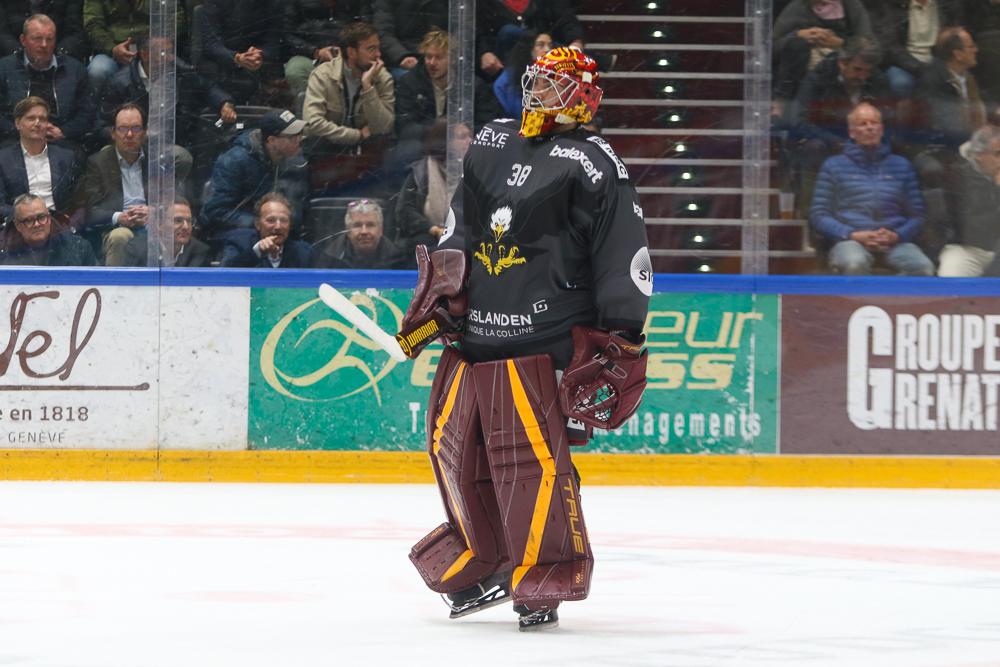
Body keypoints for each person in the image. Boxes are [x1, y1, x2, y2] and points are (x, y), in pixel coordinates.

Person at [402, 47, 650, 631]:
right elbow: (462, 225)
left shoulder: (596, 163)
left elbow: (623, 256)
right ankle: (484, 557)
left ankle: (545, 573)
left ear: (583, 98)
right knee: (451, 448)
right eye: (537, 80)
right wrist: (443, 287)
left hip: (542, 340)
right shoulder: (492, 140)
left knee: (530, 464)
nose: (538, 91)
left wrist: (621, 336)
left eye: (554, 84)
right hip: (474, 336)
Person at [810, 102, 934, 275]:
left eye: (874, 123)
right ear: (852, 132)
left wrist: (897, 235)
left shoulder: (901, 165)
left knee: (922, 267)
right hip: (850, 240)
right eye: (862, 124)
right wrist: (852, 234)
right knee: (854, 263)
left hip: (895, 241)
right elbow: (819, 214)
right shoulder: (833, 166)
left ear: (881, 129)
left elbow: (918, 215)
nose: (870, 128)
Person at [71, 103, 190, 265]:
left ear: (144, 132)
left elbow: (173, 199)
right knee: (120, 236)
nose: (129, 134)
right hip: (116, 227)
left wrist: (154, 212)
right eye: (123, 129)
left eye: (135, 128)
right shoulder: (97, 162)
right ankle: (116, 282)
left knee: (174, 232)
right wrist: (120, 217)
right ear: (113, 133)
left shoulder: (157, 160)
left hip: (153, 224)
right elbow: (90, 210)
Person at [99, 32, 236, 147]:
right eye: (164, 53)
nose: (170, 58)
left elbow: (207, 87)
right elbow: (102, 125)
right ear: (145, 55)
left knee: (184, 157)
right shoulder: (120, 83)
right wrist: (128, 136)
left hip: (170, 144)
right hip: (132, 144)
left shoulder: (180, 73)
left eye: (171, 52)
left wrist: (224, 103)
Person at [201, 109, 309, 234]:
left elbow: (298, 205)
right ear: (272, 140)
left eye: (299, 135)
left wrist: (287, 225)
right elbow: (216, 212)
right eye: (292, 137)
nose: (298, 141)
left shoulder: (297, 163)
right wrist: (261, 224)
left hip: (280, 231)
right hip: (239, 232)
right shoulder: (234, 161)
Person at [0, 13, 95, 146]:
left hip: (61, 140)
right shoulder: (4, 68)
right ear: (23, 40)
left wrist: (63, 131)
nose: (44, 44)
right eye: (37, 38)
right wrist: (21, 131)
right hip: (16, 139)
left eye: (49, 39)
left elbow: (87, 113)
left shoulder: (75, 70)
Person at [302, 21, 394, 153]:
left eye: (378, 48)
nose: (378, 54)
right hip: (329, 145)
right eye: (371, 49)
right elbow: (312, 123)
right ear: (351, 52)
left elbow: (384, 128)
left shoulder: (383, 78)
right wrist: (357, 135)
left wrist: (368, 88)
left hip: (366, 148)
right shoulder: (323, 75)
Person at [771, 0, 873, 106]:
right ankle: (781, 103)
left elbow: (869, 44)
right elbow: (771, 49)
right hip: (799, 74)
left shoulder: (851, 5)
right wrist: (797, 35)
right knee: (797, 46)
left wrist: (841, 43)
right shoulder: (798, 7)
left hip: (840, 71)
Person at [394, 120, 472, 259]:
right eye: (462, 137)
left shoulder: (477, 172)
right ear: (444, 141)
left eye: (470, 136)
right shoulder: (421, 172)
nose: (470, 141)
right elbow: (405, 211)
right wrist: (434, 230)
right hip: (429, 239)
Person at [0, 96, 81, 225]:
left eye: (42, 119)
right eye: (31, 118)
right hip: (20, 225)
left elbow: (78, 201)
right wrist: (29, 216)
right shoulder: (3, 159)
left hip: (58, 225)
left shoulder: (66, 157)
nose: (37, 123)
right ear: (18, 123)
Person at [935, 125, 1000, 276]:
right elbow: (971, 226)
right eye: (998, 154)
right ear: (979, 155)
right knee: (952, 274)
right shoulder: (958, 176)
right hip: (967, 249)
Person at [82, 0, 184, 95]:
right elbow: (92, 24)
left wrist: (154, 41)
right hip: (113, 48)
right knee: (98, 71)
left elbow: (176, 16)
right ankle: (98, 108)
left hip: (152, 47)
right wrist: (112, 49)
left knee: (177, 70)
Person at [868, 0, 964, 97]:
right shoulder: (896, 6)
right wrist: (920, 68)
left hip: (936, 61)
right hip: (903, 62)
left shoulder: (944, 6)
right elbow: (891, 46)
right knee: (901, 83)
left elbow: (950, 36)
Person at [196, 0, 281, 104]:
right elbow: (212, 44)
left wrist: (259, 55)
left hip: (258, 63)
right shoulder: (214, 2)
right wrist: (237, 58)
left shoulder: (271, 3)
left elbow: (273, 41)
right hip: (223, 64)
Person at [283, 0, 370, 99]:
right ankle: (307, 105)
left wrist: (347, 50)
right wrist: (315, 51)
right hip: (308, 54)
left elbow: (366, 30)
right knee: (296, 70)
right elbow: (287, 34)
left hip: (348, 54)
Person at [0, 192, 96, 265]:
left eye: (41, 217)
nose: (37, 224)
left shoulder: (79, 249)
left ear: (49, 218)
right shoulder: (4, 256)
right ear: (18, 226)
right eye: (28, 220)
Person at [221, 192, 313, 268]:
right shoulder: (239, 244)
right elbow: (224, 276)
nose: (278, 227)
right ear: (258, 224)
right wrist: (257, 251)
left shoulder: (303, 252)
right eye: (271, 220)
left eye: (284, 220)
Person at [311, 198, 402, 268]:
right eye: (357, 225)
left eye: (370, 225)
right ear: (348, 231)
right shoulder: (330, 259)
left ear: (381, 230)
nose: (364, 231)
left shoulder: (398, 259)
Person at [123, 197, 211, 267]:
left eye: (189, 221)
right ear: (159, 224)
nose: (186, 227)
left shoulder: (200, 251)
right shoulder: (137, 249)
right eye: (178, 220)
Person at [372, 0, 447, 72]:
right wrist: (402, 56)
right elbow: (383, 32)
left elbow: (451, 29)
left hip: (438, 55)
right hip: (402, 57)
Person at [0, 1, 90, 62]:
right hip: (13, 56)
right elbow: (2, 32)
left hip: (58, 56)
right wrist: (19, 54)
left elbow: (75, 32)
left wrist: (54, 55)